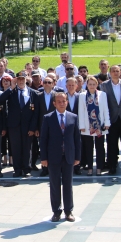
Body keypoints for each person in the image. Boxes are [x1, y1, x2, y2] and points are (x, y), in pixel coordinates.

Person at [40, 92, 81, 222]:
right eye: (59, 101)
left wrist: (77, 156)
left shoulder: (73, 117)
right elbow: (43, 139)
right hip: (53, 157)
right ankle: (56, 211)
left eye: (64, 101)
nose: (62, 103)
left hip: (68, 156)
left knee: (68, 184)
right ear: (54, 104)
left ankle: (69, 211)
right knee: (54, 184)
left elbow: (77, 139)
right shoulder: (48, 118)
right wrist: (44, 158)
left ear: (67, 102)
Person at [0, 71, 39, 177]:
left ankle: (26, 169)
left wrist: (33, 127)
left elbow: (36, 113)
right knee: (15, 148)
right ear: (16, 80)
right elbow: (1, 99)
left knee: (27, 148)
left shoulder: (33, 93)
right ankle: (17, 169)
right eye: (19, 79)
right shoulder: (12, 92)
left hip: (28, 126)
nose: (21, 81)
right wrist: (11, 87)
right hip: (14, 126)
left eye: (23, 79)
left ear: (26, 80)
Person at [100, 65, 121, 175]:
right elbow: (102, 103)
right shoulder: (104, 85)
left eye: (117, 71)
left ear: (120, 72)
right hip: (111, 119)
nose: (115, 73)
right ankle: (112, 166)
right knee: (111, 144)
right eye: (113, 71)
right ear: (110, 73)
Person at [78, 76, 110, 176]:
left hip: (100, 125)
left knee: (100, 147)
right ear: (86, 85)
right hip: (87, 126)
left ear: (97, 85)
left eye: (94, 84)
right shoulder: (82, 95)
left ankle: (99, 167)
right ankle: (90, 168)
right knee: (88, 148)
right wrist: (81, 125)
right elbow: (81, 111)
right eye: (90, 84)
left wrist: (107, 122)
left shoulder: (102, 95)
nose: (92, 86)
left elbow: (105, 109)